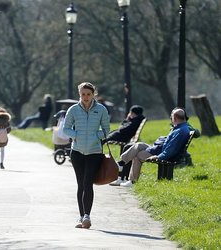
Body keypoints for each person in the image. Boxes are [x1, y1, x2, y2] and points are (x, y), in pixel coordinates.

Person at [63, 82, 110, 229]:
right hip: (77, 152)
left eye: (88, 94)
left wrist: (98, 136)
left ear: (93, 94)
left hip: (94, 152)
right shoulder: (73, 109)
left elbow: (107, 129)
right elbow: (66, 128)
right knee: (81, 184)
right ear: (79, 94)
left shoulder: (101, 109)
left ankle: (87, 217)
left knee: (88, 182)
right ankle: (81, 216)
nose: (85, 97)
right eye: (83, 94)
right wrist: (76, 135)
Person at [117, 108, 191, 187]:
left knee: (138, 155)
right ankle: (121, 163)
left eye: (171, 118)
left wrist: (159, 157)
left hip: (163, 154)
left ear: (175, 118)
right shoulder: (182, 127)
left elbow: (172, 149)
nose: (171, 120)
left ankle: (132, 181)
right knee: (139, 145)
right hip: (159, 150)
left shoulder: (180, 131)